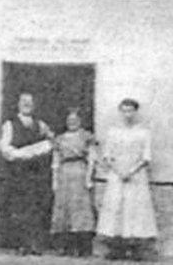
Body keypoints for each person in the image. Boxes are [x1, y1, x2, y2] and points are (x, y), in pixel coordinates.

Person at [96, 98, 159, 261]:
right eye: (124, 110)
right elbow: (107, 155)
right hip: (117, 176)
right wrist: (119, 171)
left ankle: (136, 247)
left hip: (136, 176)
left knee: (135, 209)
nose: (127, 114)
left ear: (136, 112)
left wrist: (130, 172)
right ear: (120, 112)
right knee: (117, 207)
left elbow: (146, 157)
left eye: (131, 110)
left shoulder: (143, 132)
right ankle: (117, 247)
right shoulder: (113, 131)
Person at [0, 92, 54, 255]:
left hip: (37, 173)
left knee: (36, 208)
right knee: (19, 208)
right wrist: (24, 154)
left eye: (30, 101)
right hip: (18, 172)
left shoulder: (41, 124)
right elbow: (5, 149)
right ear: (18, 103)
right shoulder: (10, 124)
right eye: (24, 101)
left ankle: (35, 244)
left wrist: (44, 146)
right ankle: (20, 244)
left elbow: (51, 142)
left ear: (35, 105)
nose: (27, 104)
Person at [50, 108, 97, 256]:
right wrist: (55, 180)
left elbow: (92, 159)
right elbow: (56, 160)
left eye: (75, 120)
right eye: (69, 121)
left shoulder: (86, 136)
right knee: (64, 208)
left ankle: (83, 247)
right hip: (65, 173)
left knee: (81, 209)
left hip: (80, 172)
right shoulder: (60, 139)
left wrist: (89, 178)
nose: (72, 123)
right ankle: (66, 246)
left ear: (80, 121)